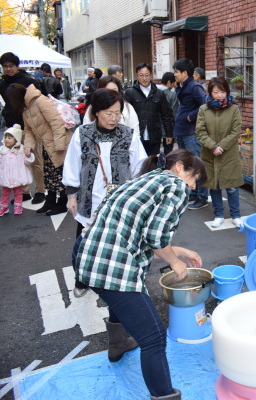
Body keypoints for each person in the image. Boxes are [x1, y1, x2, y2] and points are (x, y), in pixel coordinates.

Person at [74, 149, 207, 400]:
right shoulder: (175, 186)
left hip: (86, 255)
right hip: (110, 265)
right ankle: (164, 395)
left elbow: (141, 234)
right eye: (194, 179)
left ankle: (118, 344)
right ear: (179, 167)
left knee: (120, 299)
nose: (191, 187)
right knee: (154, 337)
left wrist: (178, 251)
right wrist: (176, 263)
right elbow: (155, 238)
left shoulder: (146, 178)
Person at [63, 88, 147, 298]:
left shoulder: (128, 134)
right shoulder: (82, 134)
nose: (113, 118)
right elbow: (72, 165)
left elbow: (140, 165)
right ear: (97, 112)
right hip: (89, 198)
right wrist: (71, 196)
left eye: (117, 113)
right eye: (108, 113)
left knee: (119, 241)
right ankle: (81, 280)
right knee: (84, 241)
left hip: (119, 199)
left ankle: (116, 280)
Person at [7, 83, 70, 216]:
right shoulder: (26, 107)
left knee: (60, 175)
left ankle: (62, 203)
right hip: (45, 146)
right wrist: (28, 146)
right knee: (49, 175)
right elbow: (28, 129)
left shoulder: (40, 100)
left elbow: (56, 122)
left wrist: (59, 146)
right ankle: (51, 201)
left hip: (57, 144)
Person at [196, 77, 243, 228]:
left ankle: (236, 215)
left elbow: (236, 131)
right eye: (216, 92)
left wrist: (220, 146)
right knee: (214, 186)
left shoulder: (234, 108)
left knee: (232, 187)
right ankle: (219, 215)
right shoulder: (204, 109)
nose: (219, 95)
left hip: (228, 154)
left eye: (222, 91)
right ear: (210, 92)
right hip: (210, 155)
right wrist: (212, 146)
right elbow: (200, 131)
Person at [0, 52, 44, 204]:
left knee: (35, 158)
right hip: (12, 126)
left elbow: (40, 99)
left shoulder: (27, 80)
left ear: (17, 66)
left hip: (29, 125)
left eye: (11, 66)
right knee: (17, 160)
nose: (8, 69)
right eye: (5, 66)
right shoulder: (2, 82)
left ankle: (40, 190)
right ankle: (23, 192)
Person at [172, 58, 209, 209]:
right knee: (187, 164)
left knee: (196, 163)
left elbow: (204, 105)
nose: (174, 74)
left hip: (191, 132)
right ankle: (193, 193)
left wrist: (190, 116)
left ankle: (202, 196)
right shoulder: (183, 86)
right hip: (181, 130)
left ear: (185, 73)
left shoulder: (195, 87)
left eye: (176, 72)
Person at [124, 63, 173, 156]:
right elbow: (125, 114)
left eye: (147, 75)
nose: (144, 78)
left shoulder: (159, 93)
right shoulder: (130, 93)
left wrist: (168, 134)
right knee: (139, 164)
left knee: (153, 162)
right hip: (137, 135)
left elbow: (166, 114)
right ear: (137, 76)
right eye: (141, 75)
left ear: (151, 75)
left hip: (154, 135)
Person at [0, 124, 35, 216]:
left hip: (17, 176)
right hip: (6, 177)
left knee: (18, 193)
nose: (7, 139)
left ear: (16, 139)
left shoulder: (20, 151)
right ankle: (4, 207)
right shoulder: (2, 151)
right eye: (6, 137)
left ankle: (18, 206)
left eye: (10, 137)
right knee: (5, 193)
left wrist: (28, 156)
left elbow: (28, 163)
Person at [156, 72, 179, 154]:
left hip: (155, 129)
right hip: (168, 129)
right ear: (169, 82)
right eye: (174, 82)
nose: (175, 84)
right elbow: (174, 113)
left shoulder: (154, 92)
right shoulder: (172, 95)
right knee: (168, 154)